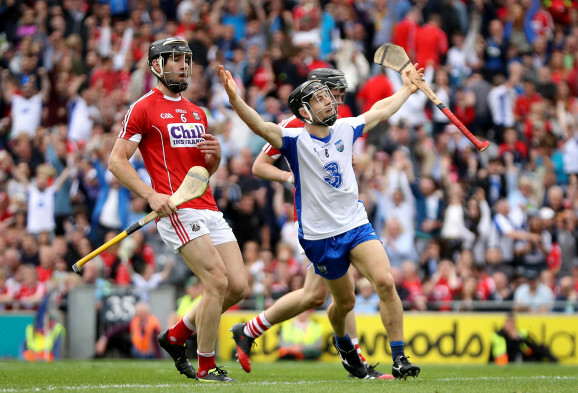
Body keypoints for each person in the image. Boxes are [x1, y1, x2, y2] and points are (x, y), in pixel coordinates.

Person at [220, 63, 422, 379]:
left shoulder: (345, 127)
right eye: (323, 99)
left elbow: (381, 111)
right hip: (320, 235)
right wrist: (235, 99)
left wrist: (408, 89)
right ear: (305, 109)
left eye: (331, 97)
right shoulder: (293, 137)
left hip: (355, 224)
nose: (331, 102)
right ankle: (346, 347)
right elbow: (259, 126)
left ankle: (399, 357)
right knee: (340, 302)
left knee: (384, 281)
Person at [109, 38, 248, 382]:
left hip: (207, 206)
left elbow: (201, 174)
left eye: (185, 60)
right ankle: (205, 366)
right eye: (174, 60)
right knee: (216, 280)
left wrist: (214, 161)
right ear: (156, 65)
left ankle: (174, 336)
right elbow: (116, 161)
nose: (182, 66)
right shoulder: (143, 107)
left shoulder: (197, 112)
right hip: (175, 210)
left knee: (238, 286)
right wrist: (151, 195)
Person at [94, 302, 162, 359]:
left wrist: (158, 358)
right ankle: (97, 356)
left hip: (149, 355)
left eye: (141, 312)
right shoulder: (135, 321)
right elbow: (117, 329)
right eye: (138, 312)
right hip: (136, 352)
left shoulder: (153, 324)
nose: (139, 314)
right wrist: (104, 339)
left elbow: (156, 344)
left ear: (147, 313)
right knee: (117, 340)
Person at [489, 313, 558, 364]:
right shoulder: (498, 335)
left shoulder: (521, 333)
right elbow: (503, 353)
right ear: (504, 324)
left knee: (541, 348)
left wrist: (518, 338)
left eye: (512, 323)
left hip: (523, 356)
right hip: (506, 360)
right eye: (509, 323)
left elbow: (528, 348)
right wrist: (511, 339)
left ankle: (554, 362)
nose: (511, 325)